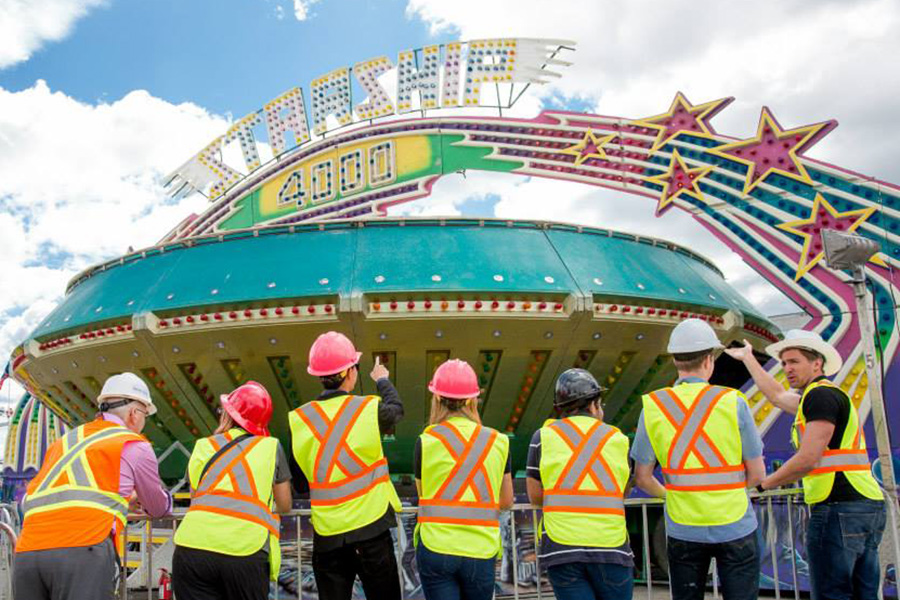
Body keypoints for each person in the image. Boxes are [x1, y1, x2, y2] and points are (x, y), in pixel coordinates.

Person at [726, 330, 885, 600]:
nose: (787, 368)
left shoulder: (819, 397)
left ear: (817, 363)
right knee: (864, 592)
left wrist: (762, 486)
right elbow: (776, 395)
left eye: (794, 361)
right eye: (784, 363)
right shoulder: (823, 396)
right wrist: (748, 359)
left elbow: (808, 458)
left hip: (838, 507)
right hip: (863, 504)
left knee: (831, 593)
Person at [632, 319, 765, 600]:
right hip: (736, 523)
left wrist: (675, 495)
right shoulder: (733, 401)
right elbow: (757, 473)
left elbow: (642, 478)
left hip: (683, 526)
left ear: (674, 360)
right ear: (709, 359)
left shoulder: (653, 406)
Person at [14, 372, 172, 600]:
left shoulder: (65, 441)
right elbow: (158, 507)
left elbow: (68, 493)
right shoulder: (132, 443)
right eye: (145, 414)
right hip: (83, 549)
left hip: (28, 551)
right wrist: (164, 501)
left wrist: (121, 500)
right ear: (134, 414)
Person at [289, 331, 404, 600]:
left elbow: (302, 484)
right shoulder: (367, 409)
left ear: (319, 375)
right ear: (350, 372)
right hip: (372, 530)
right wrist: (382, 379)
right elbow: (396, 409)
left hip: (328, 538)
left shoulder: (300, 419)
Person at [173, 381, 292, 600]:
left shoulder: (203, 446)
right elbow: (285, 505)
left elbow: (196, 497)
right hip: (244, 551)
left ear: (228, 415)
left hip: (192, 549)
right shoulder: (270, 447)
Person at [526, 368, 633, 600]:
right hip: (611, 547)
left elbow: (535, 496)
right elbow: (622, 491)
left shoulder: (542, 438)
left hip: (563, 547)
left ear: (560, 408)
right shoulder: (618, 439)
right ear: (594, 405)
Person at [414, 359, 513, 600]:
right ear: (472, 400)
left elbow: (424, 495)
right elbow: (507, 501)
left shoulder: (425, 442)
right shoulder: (498, 442)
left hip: (436, 546)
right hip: (480, 549)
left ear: (436, 398)